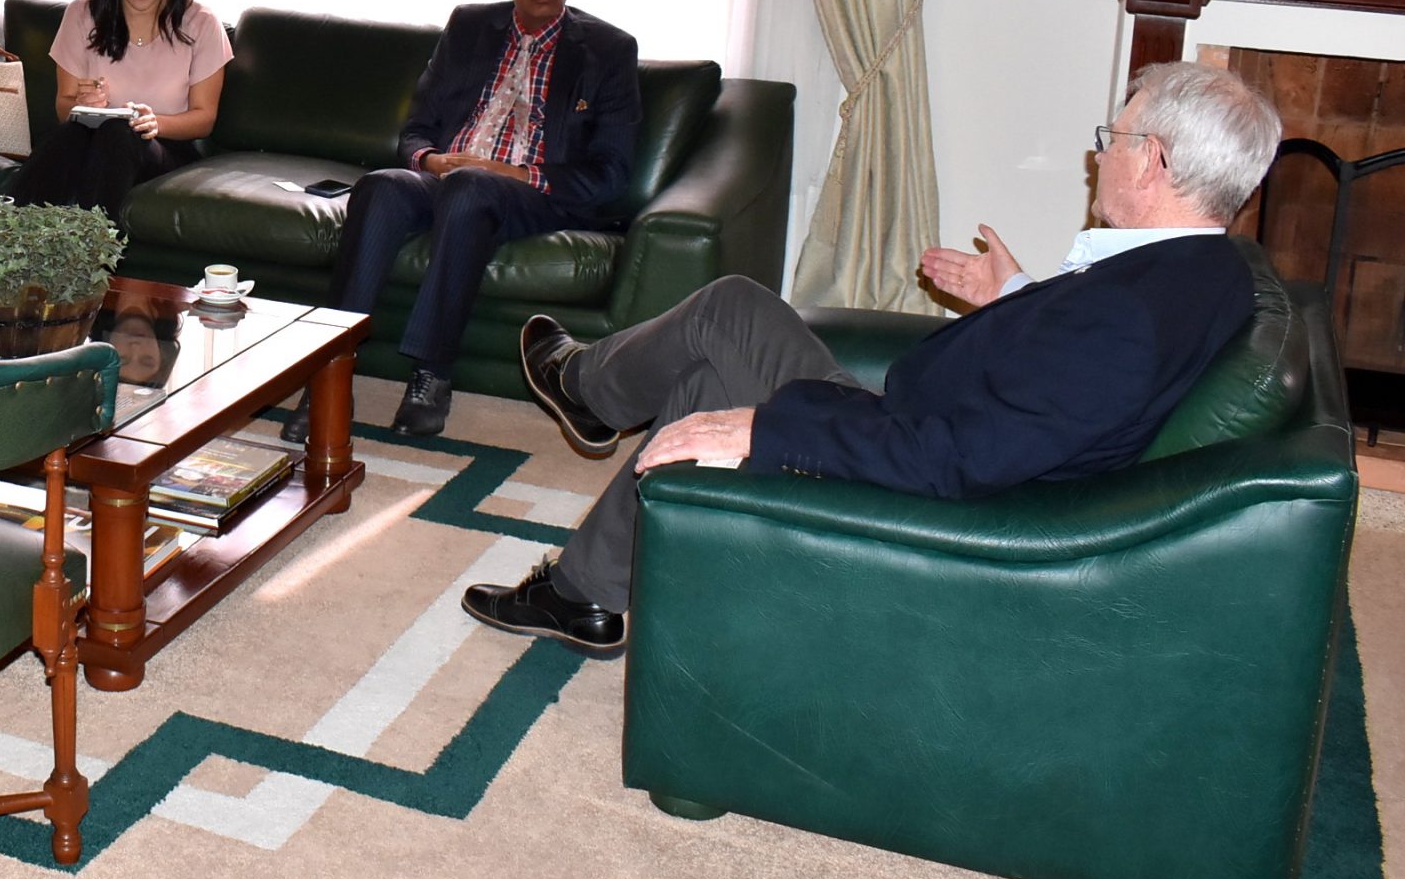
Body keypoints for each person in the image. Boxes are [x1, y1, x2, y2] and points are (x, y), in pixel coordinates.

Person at [466, 60, 1282, 659]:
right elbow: (1063, 383)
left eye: (1116, 135)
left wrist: (765, 430)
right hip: (927, 434)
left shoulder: (1128, 316)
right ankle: (584, 590)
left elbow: (956, 460)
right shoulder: (1201, 271)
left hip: (920, 483)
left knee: (722, 347)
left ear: (1155, 160)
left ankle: (583, 393)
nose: (1099, 153)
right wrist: (1018, 295)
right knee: (731, 323)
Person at [296, 0, 639, 443]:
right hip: (451, 178)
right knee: (382, 186)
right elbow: (416, 130)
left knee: (471, 186)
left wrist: (509, 172)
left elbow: (610, 173)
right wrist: (431, 160)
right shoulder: (470, 27)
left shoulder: (608, 51)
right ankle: (328, 371)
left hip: (534, 192)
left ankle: (432, 371)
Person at [12, 0, 232, 225]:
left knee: (119, 131)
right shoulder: (82, 13)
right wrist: (82, 104)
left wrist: (155, 123)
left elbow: (204, 118)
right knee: (71, 133)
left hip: (164, 150)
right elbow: (63, 106)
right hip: (89, 141)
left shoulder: (200, 23)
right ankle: (12, 238)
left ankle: (92, 253)